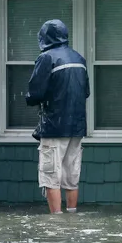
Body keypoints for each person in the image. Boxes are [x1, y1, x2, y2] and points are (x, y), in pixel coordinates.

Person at [25, 19, 90, 214]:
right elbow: (86, 92)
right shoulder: (79, 58)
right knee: (71, 176)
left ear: (44, 38)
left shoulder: (47, 58)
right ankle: (71, 215)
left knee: (50, 175)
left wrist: (31, 98)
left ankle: (56, 220)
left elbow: (34, 93)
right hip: (77, 127)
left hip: (54, 126)